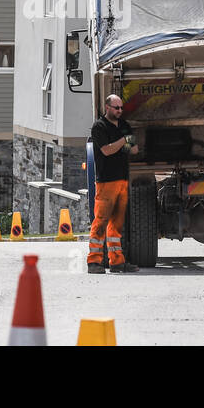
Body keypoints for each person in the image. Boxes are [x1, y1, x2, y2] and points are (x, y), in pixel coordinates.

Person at [87, 94, 139, 274]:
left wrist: (122, 143)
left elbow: (133, 149)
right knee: (100, 221)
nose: (119, 111)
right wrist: (123, 141)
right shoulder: (99, 127)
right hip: (106, 181)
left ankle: (117, 262)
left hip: (122, 179)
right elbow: (107, 151)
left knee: (116, 223)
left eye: (121, 108)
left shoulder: (124, 125)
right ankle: (94, 262)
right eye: (116, 107)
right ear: (107, 107)